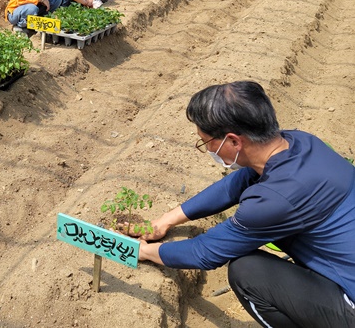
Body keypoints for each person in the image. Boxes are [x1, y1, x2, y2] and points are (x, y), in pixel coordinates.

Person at [138, 81, 355, 328]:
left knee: (248, 272)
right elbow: (240, 181)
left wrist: (143, 251)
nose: (208, 149)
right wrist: (166, 220)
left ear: (233, 141)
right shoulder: (302, 142)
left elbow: (205, 252)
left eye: (205, 141)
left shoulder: (274, 201)